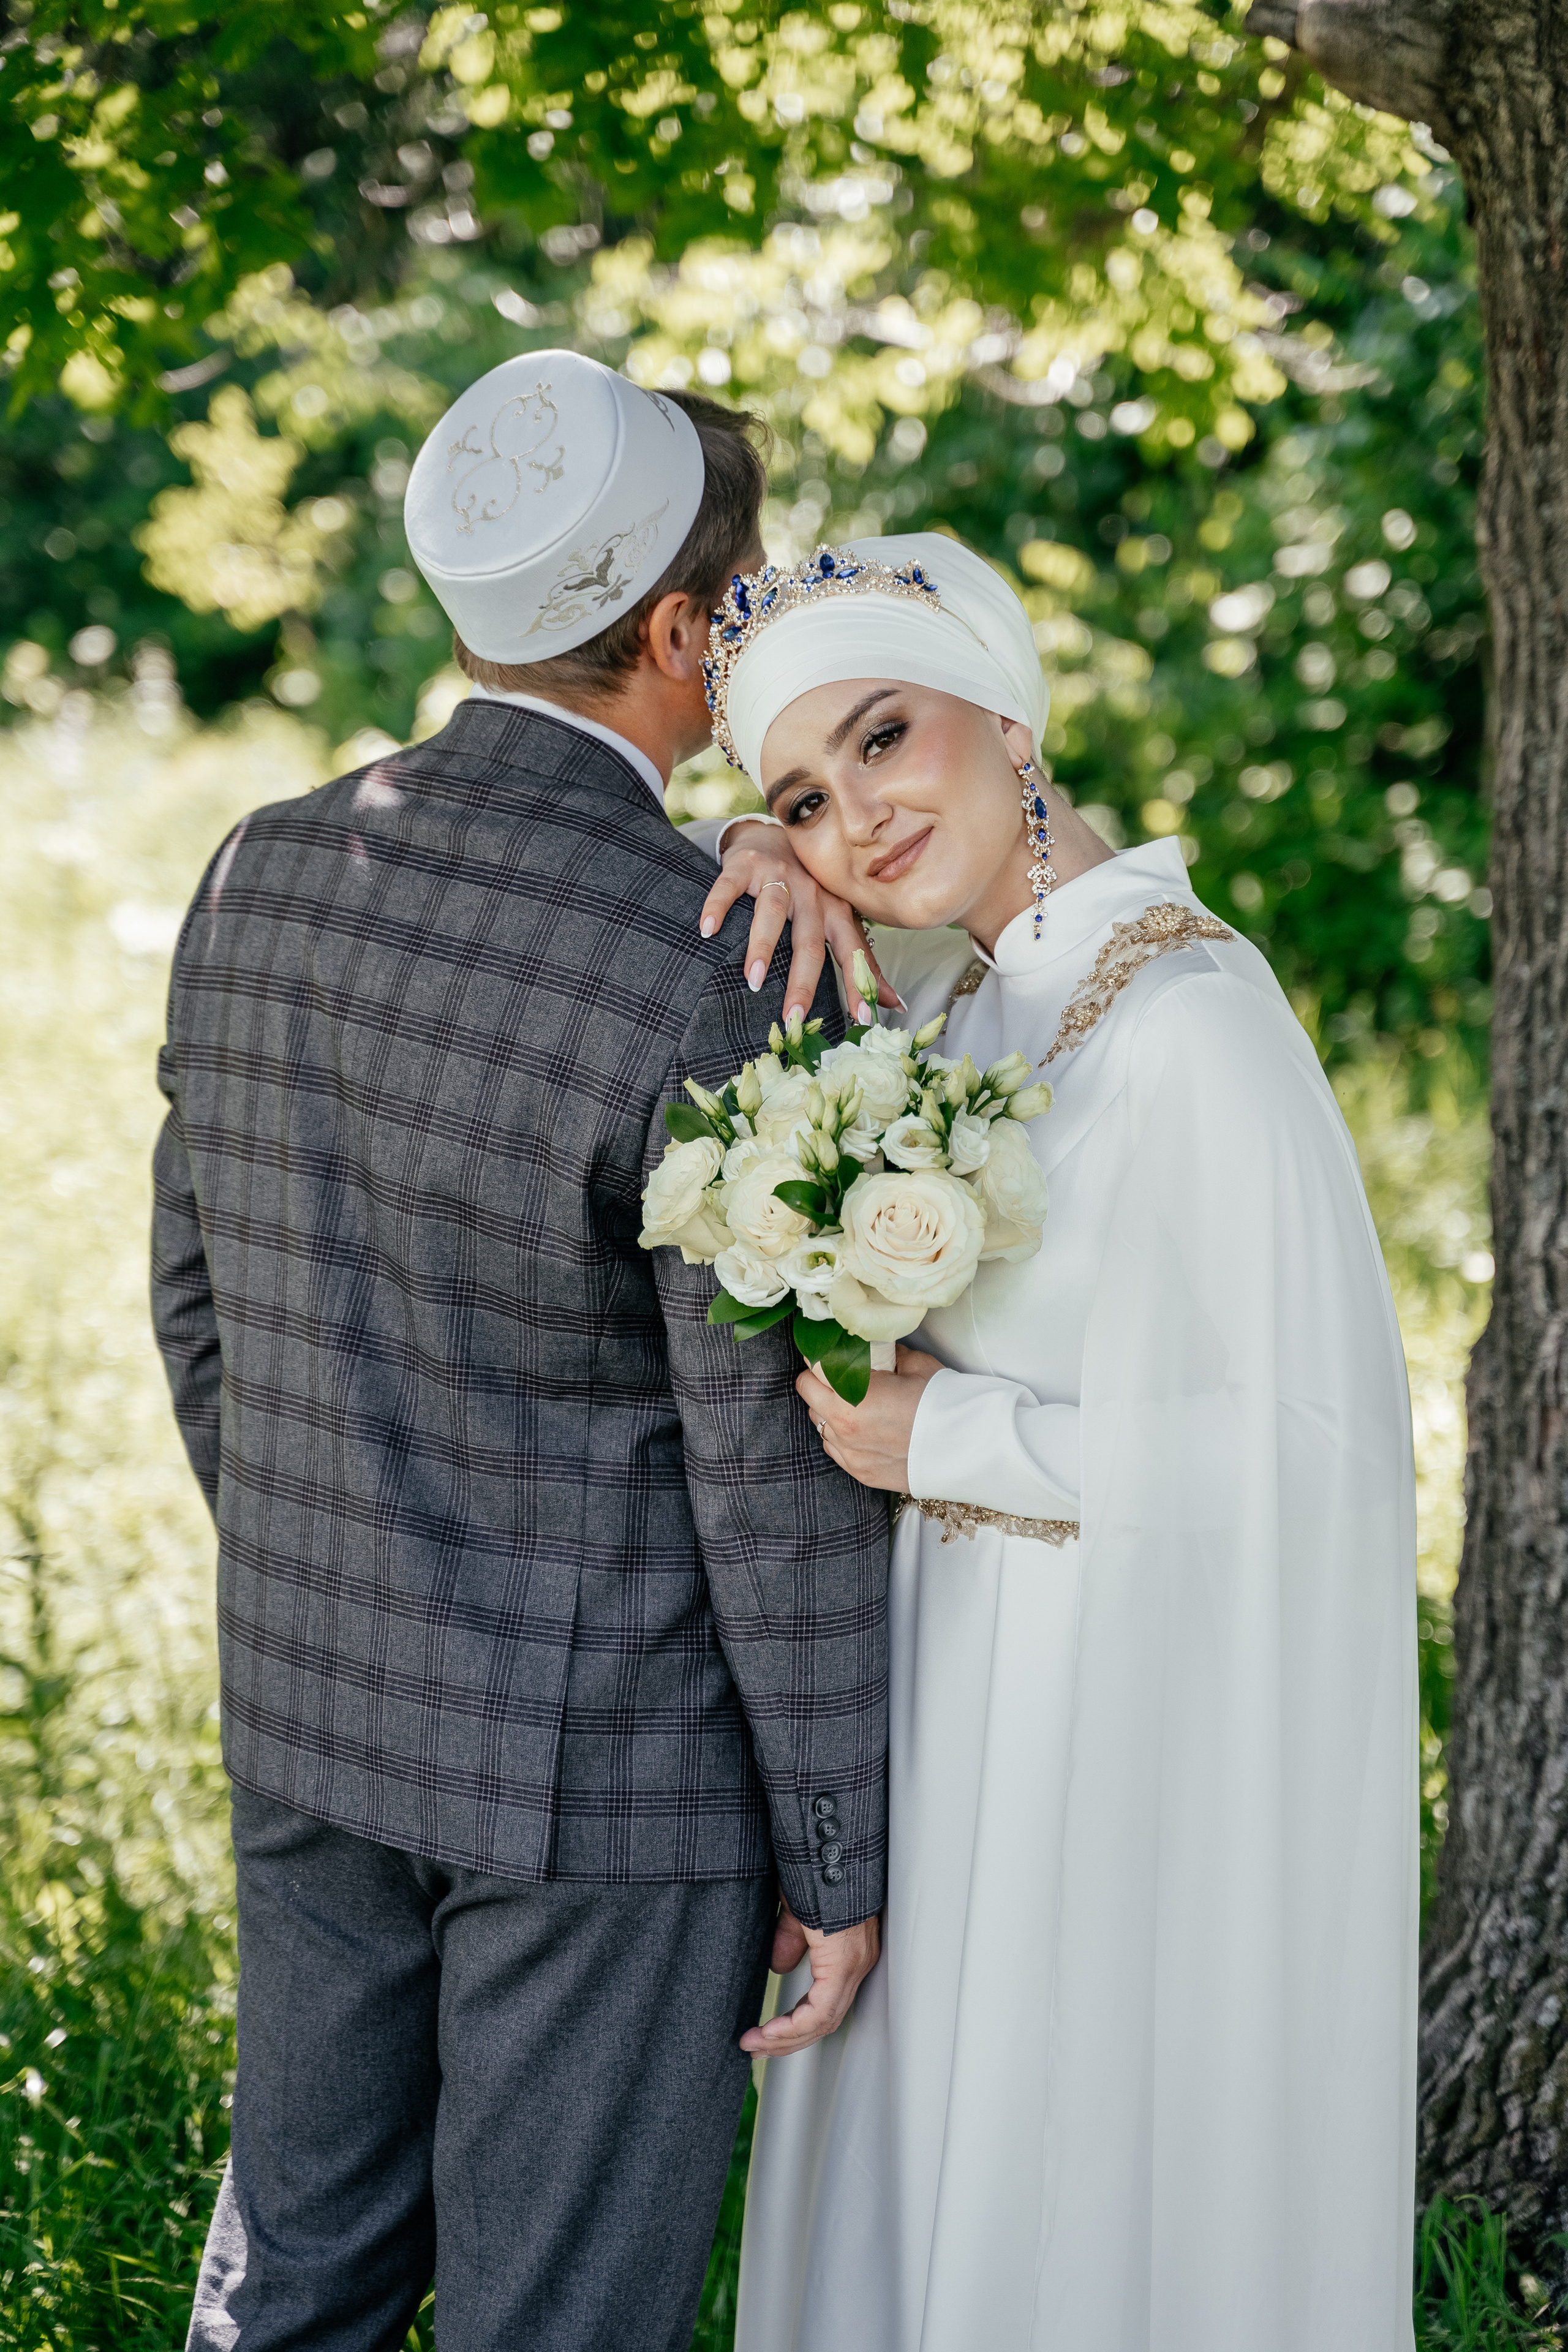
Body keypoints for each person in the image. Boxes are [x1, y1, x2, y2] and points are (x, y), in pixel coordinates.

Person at [153, 352, 890, 2352]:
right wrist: (840, 1848)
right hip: (609, 1785)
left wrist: (344, 1560)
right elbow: (773, 1462)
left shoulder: (263, 867)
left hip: (312, 1696)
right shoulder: (718, 963)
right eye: (735, 613)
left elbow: (202, 1308)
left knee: (291, 2278)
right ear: (675, 633)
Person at [693, 533, 1419, 2352]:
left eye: (882, 736)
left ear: (1010, 715)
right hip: (943, 1725)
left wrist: (963, 1437)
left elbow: (1319, 1458)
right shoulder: (955, 1011)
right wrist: (744, 850)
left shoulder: (1193, 1023)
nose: (855, 812)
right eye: (802, 789)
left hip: (1110, 1757)